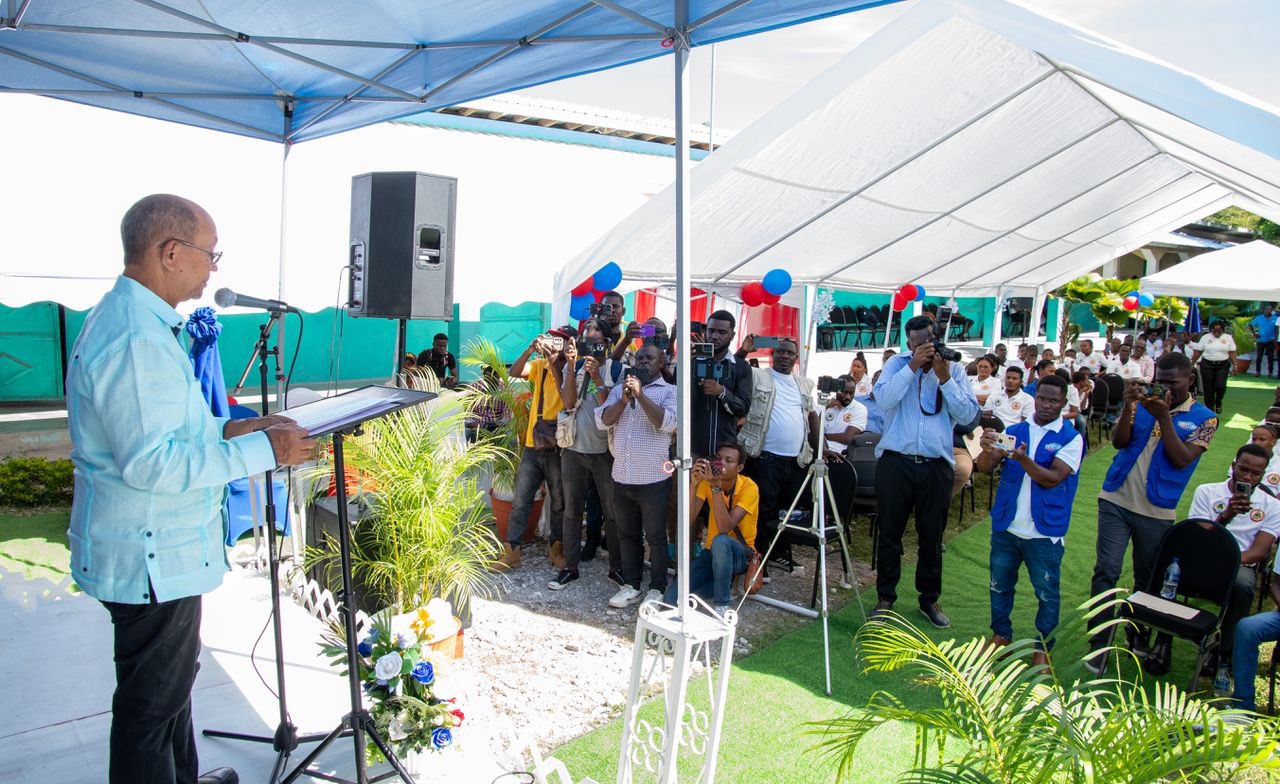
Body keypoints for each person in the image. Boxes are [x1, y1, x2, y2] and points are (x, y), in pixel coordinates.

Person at [68, 194, 315, 784]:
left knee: (168, 690)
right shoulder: (137, 339)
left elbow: (173, 428)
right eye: (210, 254)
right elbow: (153, 463)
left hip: (154, 551)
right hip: (148, 555)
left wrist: (236, 426)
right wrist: (264, 451)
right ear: (171, 252)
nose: (213, 269)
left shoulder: (143, 323)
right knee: (149, 711)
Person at [1087, 352, 1218, 674]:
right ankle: (1099, 642)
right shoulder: (1144, 403)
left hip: (1157, 510)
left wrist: (1164, 418)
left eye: (1172, 382)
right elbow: (1119, 442)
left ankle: (1137, 635)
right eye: (1160, 380)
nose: (1164, 388)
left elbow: (1182, 459)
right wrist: (1130, 408)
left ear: (1190, 378)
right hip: (1116, 498)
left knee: (1148, 578)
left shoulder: (1205, 418)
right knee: (1107, 571)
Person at [871, 315, 980, 629]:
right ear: (909, 343)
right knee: (890, 534)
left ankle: (929, 599)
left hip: (935, 466)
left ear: (937, 341)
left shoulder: (954, 369)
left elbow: (969, 416)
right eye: (916, 344)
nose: (923, 349)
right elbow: (884, 399)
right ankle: (886, 597)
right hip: (896, 463)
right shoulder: (896, 365)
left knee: (931, 537)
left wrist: (944, 379)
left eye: (928, 343)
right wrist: (912, 367)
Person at [974, 375, 1084, 665]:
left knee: (1047, 592)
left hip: (1044, 530)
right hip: (1007, 524)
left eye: (1054, 401)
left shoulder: (1071, 438)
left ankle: (1044, 646)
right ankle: (1001, 635)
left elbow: (1053, 478)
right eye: (1043, 399)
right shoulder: (1014, 429)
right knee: (999, 584)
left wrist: (1022, 459)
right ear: (1035, 398)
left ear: (1064, 403)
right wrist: (987, 450)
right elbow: (984, 467)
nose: (1047, 405)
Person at [1188, 444, 1280, 691]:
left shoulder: (1272, 506)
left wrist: (1226, 560)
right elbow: (1197, 537)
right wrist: (1226, 515)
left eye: (1255, 474)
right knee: (1172, 567)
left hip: (1239, 564)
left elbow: (1260, 551)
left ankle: (1223, 654)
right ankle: (1163, 638)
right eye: (1243, 470)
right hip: (1203, 556)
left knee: (1241, 584)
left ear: (1263, 475)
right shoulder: (1207, 492)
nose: (1248, 477)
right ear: (1233, 467)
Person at [596, 344, 677, 608]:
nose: (642, 363)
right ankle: (631, 585)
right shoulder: (621, 390)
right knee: (627, 535)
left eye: (649, 358)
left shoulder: (671, 392)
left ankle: (656, 587)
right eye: (639, 358)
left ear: (661, 360)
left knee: (655, 537)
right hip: (621, 476)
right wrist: (623, 399)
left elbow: (667, 423)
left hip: (653, 479)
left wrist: (641, 397)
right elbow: (603, 421)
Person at [738, 338, 822, 574]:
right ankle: (758, 561)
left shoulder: (804, 384)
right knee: (764, 510)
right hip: (766, 458)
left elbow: (812, 416)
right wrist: (745, 349)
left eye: (790, 354)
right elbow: (735, 366)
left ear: (796, 358)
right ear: (773, 354)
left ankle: (778, 554)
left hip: (796, 459)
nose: (785, 356)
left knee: (787, 512)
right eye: (781, 352)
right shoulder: (759, 376)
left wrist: (822, 448)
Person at [550, 319, 622, 590]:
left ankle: (616, 568)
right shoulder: (577, 366)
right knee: (572, 511)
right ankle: (570, 567)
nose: (590, 338)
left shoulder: (617, 368)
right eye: (585, 335)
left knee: (611, 512)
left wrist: (598, 379)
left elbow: (612, 410)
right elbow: (568, 403)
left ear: (606, 341)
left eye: (596, 334)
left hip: (605, 451)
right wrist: (570, 366)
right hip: (574, 449)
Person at [494, 328, 571, 571]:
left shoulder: (571, 369)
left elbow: (569, 399)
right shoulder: (539, 365)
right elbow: (514, 372)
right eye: (550, 339)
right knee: (521, 500)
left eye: (558, 340)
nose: (553, 344)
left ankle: (556, 547)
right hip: (532, 444)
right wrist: (529, 349)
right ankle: (512, 550)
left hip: (558, 446)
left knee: (559, 501)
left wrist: (556, 363)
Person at [664, 443, 758, 613]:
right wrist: (694, 483)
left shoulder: (749, 487)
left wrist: (715, 487)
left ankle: (721, 605)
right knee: (673, 596)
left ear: (739, 467)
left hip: (740, 553)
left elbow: (724, 527)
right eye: (718, 458)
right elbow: (687, 519)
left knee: (720, 541)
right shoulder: (707, 482)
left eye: (728, 460)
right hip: (711, 552)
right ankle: (725, 586)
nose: (721, 463)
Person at [689, 310, 754, 458]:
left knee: (719, 482)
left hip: (724, 453)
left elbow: (743, 408)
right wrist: (690, 360)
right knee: (693, 482)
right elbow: (677, 394)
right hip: (692, 450)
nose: (715, 336)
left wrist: (721, 391)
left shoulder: (741, 367)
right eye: (711, 330)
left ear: (732, 335)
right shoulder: (692, 361)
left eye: (722, 332)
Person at [1191, 320, 1237, 414]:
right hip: (1207, 364)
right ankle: (1210, 409)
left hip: (1222, 365)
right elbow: (1198, 352)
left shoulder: (1227, 338)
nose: (1216, 332)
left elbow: (1232, 352)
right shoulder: (1205, 337)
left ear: (1223, 330)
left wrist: (1235, 365)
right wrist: (1191, 364)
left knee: (1220, 386)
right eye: (1214, 330)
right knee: (1208, 388)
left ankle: (1218, 401)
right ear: (1211, 330)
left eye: (1219, 330)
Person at [822, 375, 868, 455]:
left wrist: (823, 436)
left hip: (841, 455)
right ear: (837, 390)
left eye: (851, 393)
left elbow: (848, 438)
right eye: (845, 392)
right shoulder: (826, 406)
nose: (848, 397)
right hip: (820, 451)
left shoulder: (860, 409)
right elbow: (812, 427)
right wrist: (826, 407)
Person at [1251, 303, 1279, 377]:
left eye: (1269, 309)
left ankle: (1270, 373)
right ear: (1264, 310)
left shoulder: (1275, 318)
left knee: (1270, 357)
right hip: (1260, 340)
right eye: (1266, 309)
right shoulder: (1259, 317)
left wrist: (1276, 340)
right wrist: (1254, 333)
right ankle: (1257, 372)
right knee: (1259, 357)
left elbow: (1277, 329)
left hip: (1271, 340)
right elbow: (1251, 324)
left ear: (1272, 310)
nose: (1268, 310)